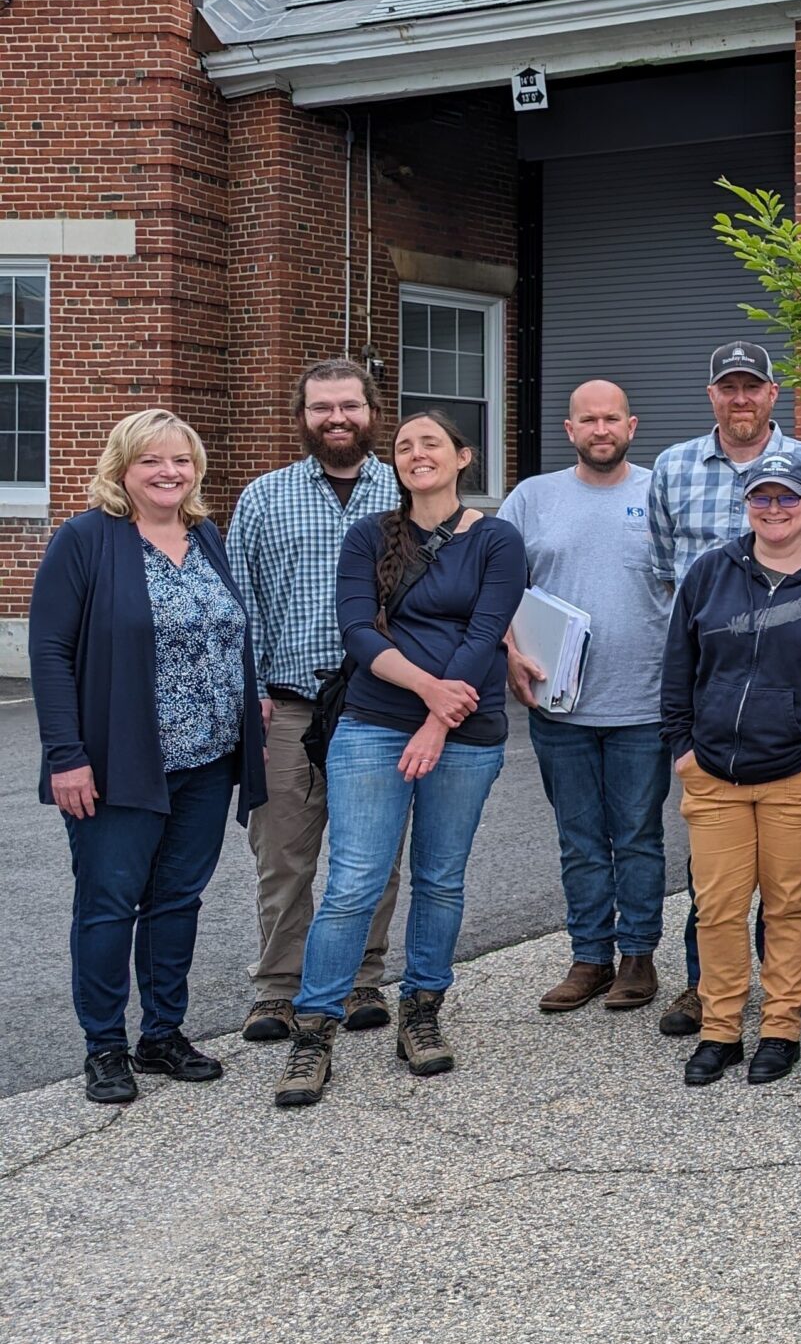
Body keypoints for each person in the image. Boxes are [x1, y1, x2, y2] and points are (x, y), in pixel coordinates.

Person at [274, 410, 528, 1108]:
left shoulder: (498, 539)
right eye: (406, 446)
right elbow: (356, 628)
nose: (418, 454)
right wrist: (424, 695)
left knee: (440, 880)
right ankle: (314, 1032)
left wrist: (440, 725)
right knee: (354, 881)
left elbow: (486, 634)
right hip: (375, 724)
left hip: (465, 737)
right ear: (397, 464)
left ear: (463, 457)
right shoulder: (368, 536)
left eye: (433, 444)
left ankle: (422, 1012)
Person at [33, 411, 266, 1104]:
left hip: (207, 761)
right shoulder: (87, 540)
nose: (169, 473)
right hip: (116, 762)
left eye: (182, 461)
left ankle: (162, 1032)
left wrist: (246, 695)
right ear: (122, 468)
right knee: (108, 904)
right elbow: (49, 653)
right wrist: (65, 756)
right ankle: (103, 1046)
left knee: (177, 901)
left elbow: (221, 632)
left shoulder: (205, 536)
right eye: (151, 462)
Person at [645, 339, 801, 1036]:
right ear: (713, 394)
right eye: (727, 386)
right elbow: (665, 603)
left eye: (753, 386)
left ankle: (786, 1007)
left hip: (800, 753)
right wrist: (682, 743)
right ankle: (712, 1005)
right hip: (714, 742)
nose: (740, 397)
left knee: (789, 895)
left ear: (772, 393)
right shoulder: (683, 496)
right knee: (716, 897)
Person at [227, 360, 403, 1041]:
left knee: (373, 857)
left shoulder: (404, 491)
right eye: (321, 407)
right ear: (301, 417)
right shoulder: (265, 497)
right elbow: (239, 606)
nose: (337, 418)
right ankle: (277, 987)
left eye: (350, 406)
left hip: (379, 706)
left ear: (372, 412)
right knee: (283, 858)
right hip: (289, 707)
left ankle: (363, 979)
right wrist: (251, 695)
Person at [500, 380, 675, 1015]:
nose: (600, 430)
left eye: (611, 420)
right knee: (578, 837)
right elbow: (496, 590)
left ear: (631, 426)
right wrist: (509, 651)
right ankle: (590, 956)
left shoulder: (663, 491)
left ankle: (638, 957)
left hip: (645, 701)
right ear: (568, 431)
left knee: (636, 834)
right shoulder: (531, 499)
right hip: (559, 704)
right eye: (587, 420)